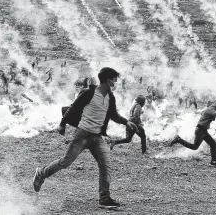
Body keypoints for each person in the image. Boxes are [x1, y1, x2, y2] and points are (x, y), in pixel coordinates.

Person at [33, 67, 138, 209]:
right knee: (65, 162)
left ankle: (104, 198)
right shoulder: (89, 93)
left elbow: (113, 115)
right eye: (114, 80)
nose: (116, 83)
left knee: (105, 166)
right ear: (108, 80)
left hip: (97, 137)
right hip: (82, 134)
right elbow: (73, 107)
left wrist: (126, 122)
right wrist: (62, 124)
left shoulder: (110, 97)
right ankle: (41, 173)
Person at [169, 99, 216, 166]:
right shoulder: (210, 109)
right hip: (200, 130)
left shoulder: (210, 109)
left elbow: (209, 114)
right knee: (194, 147)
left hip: (203, 130)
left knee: (213, 144)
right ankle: (178, 140)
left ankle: (214, 161)